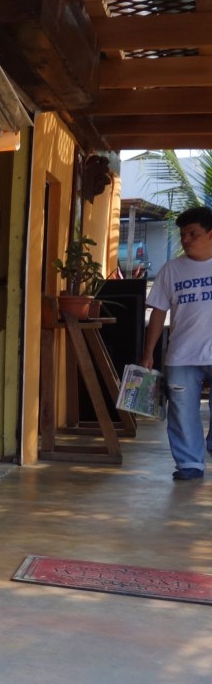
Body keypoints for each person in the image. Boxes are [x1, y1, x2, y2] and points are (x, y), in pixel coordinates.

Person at [141, 206, 212, 481]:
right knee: (182, 412)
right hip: (182, 355)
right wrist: (148, 353)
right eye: (183, 235)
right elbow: (158, 312)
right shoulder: (171, 270)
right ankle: (189, 464)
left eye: (193, 234)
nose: (186, 240)